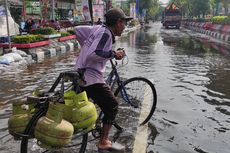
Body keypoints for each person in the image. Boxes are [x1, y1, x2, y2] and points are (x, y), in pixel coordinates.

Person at [74, 8, 132, 151]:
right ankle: (104, 141)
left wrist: (85, 46)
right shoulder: (105, 33)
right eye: (124, 23)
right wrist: (113, 54)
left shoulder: (98, 29)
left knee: (77, 106)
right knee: (112, 106)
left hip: (79, 72)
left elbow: (77, 30)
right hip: (90, 76)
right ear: (118, 22)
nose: (125, 27)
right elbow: (94, 54)